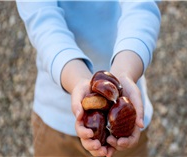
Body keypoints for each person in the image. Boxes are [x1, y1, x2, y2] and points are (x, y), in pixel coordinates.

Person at [16, 0, 161, 156]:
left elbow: (142, 7)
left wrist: (125, 72)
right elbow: (42, 22)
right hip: (57, 121)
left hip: (127, 114)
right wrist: (77, 80)